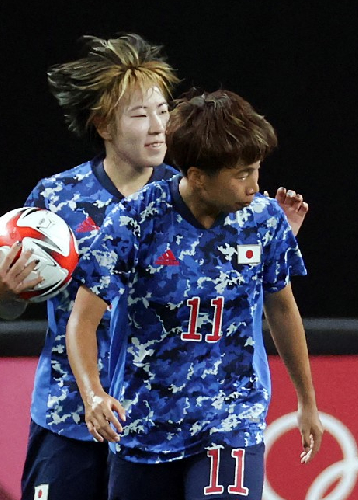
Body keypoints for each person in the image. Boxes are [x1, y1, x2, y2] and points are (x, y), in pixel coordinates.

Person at [66, 88, 323, 500]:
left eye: (256, 169)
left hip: (231, 418)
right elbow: (82, 319)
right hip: (143, 424)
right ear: (197, 176)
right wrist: (93, 394)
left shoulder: (265, 221)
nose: (254, 186)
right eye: (241, 175)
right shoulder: (135, 220)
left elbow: (282, 309)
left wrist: (307, 402)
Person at [9, 33, 180, 500]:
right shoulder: (54, 199)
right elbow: (11, 310)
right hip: (67, 416)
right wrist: (6, 290)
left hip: (156, 424)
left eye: (163, 111)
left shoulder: (188, 197)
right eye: (141, 115)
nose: (158, 126)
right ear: (104, 125)